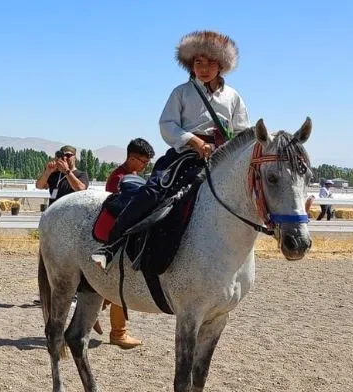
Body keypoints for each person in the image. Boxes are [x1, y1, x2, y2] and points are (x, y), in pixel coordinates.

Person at [92, 31, 249, 269]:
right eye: (198, 63)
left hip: (222, 157)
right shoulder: (182, 92)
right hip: (185, 155)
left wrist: (228, 149)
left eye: (211, 62)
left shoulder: (233, 97)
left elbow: (242, 132)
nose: (204, 68)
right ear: (191, 65)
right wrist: (194, 141)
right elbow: (167, 125)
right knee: (154, 191)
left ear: (222, 65)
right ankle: (112, 245)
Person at [95, 138, 156, 349]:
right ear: (131, 158)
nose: (145, 165)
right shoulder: (119, 179)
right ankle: (118, 333)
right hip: (118, 238)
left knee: (116, 284)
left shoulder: (131, 176)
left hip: (124, 235)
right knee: (120, 285)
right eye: (143, 161)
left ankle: (94, 310)